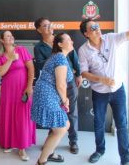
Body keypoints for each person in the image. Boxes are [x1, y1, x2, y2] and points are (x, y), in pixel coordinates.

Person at [78, 7, 129, 165]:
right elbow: (84, 72)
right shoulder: (83, 50)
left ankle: (125, 158)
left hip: (118, 90)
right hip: (99, 92)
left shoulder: (111, 38)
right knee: (99, 123)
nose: (97, 29)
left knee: (122, 124)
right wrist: (101, 79)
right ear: (86, 33)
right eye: (93, 28)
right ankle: (100, 150)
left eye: (97, 26)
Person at [34, 17, 82, 154]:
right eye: (45, 26)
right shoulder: (39, 47)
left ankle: (73, 141)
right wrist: (56, 60)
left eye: (50, 24)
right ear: (39, 30)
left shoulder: (64, 40)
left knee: (71, 113)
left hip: (69, 82)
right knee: (54, 114)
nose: (49, 27)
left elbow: (74, 58)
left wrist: (78, 73)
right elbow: (40, 64)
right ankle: (51, 145)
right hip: (52, 86)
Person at [32, 33, 73, 165]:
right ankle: (42, 161)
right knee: (61, 127)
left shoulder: (59, 57)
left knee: (60, 127)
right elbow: (60, 84)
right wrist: (65, 100)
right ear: (60, 44)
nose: (72, 41)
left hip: (48, 93)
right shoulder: (60, 58)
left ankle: (49, 153)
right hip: (47, 94)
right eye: (68, 39)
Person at [0, 30, 36, 161]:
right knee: (9, 116)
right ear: (2, 40)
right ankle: (10, 143)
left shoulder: (21, 50)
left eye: (11, 35)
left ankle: (22, 148)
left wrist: (29, 87)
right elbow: (0, 73)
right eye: (7, 36)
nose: (11, 37)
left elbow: (31, 68)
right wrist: (10, 59)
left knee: (22, 117)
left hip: (22, 89)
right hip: (8, 91)